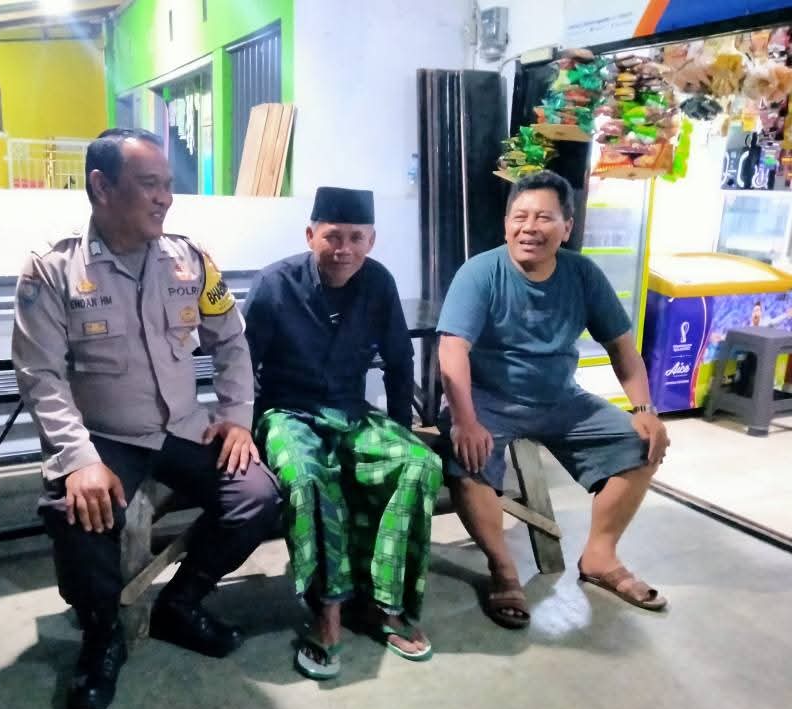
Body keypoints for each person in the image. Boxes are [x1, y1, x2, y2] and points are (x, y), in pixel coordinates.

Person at [12, 129, 281, 709]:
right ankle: (101, 634)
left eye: (168, 185)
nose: (165, 198)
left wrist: (236, 418)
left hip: (184, 427)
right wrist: (78, 460)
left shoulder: (190, 261)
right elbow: (40, 375)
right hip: (106, 437)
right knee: (76, 513)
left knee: (257, 497)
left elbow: (231, 342)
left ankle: (180, 603)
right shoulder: (53, 269)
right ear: (102, 187)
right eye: (149, 184)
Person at [436, 170, 670, 629]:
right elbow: (452, 349)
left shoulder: (583, 274)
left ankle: (600, 556)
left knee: (642, 442)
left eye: (544, 217)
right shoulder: (480, 273)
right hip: (489, 399)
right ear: (506, 223)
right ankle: (503, 569)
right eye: (519, 216)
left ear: (567, 227)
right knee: (467, 460)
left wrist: (644, 410)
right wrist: (465, 419)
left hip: (561, 398)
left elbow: (622, 347)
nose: (530, 227)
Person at [243, 187, 442, 680]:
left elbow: (399, 360)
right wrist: (244, 430)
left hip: (351, 412)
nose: (343, 249)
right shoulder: (274, 284)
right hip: (286, 413)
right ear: (311, 235)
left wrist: (402, 429)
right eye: (333, 236)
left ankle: (384, 603)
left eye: (356, 238)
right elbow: (241, 367)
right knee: (308, 476)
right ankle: (327, 611)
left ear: (371, 240)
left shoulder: (378, 283)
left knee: (419, 463)